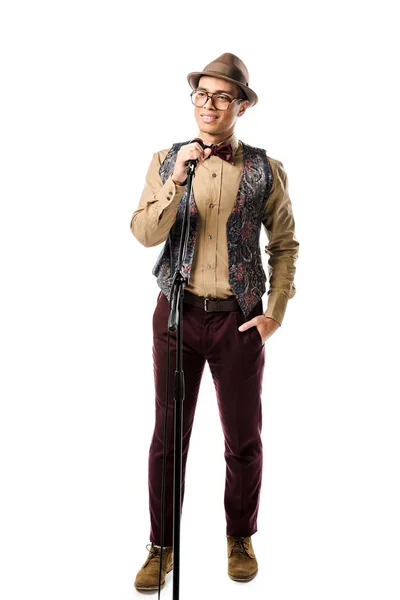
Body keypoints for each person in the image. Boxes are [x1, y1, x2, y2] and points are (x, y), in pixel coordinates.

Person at [130, 52, 299, 591]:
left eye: (223, 96)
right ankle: (161, 545)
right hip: (176, 315)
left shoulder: (265, 170)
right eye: (201, 95)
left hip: (239, 321)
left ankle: (240, 536)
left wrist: (274, 312)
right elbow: (143, 233)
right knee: (167, 438)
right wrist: (177, 180)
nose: (209, 105)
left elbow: (285, 245)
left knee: (243, 439)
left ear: (242, 106)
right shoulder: (164, 160)